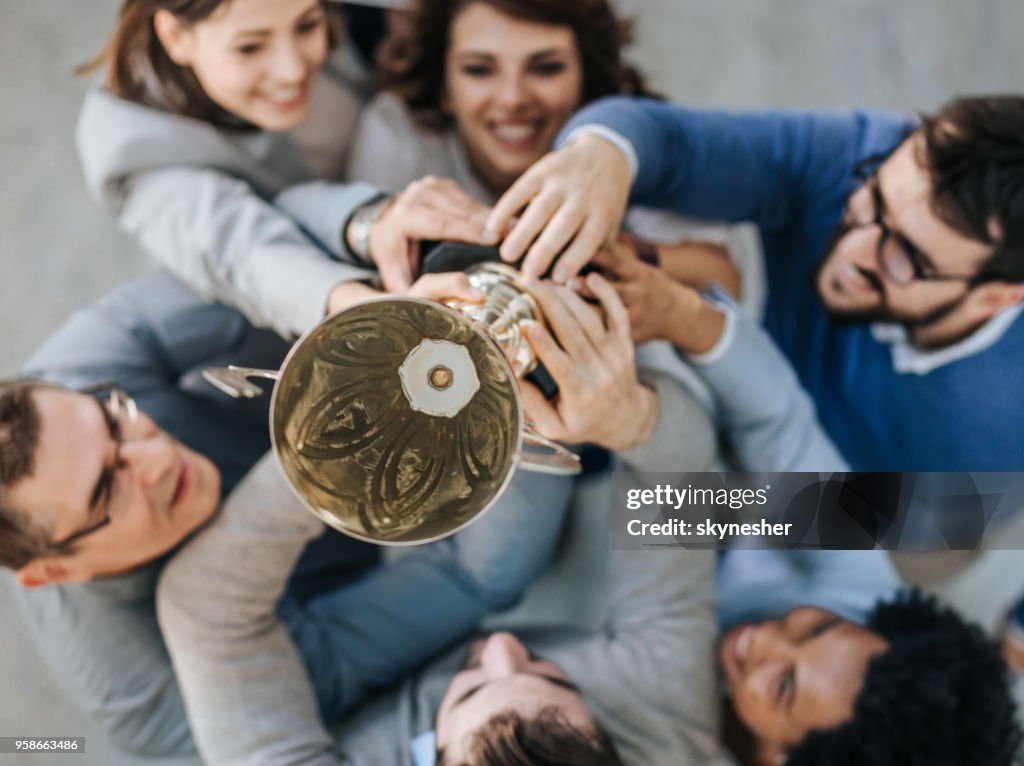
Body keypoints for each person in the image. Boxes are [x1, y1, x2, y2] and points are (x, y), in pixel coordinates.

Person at [0, 274, 573, 757]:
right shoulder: (151, 695)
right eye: (107, 491)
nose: (155, 457)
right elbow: (473, 575)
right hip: (357, 588)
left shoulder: (69, 381)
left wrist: (360, 265)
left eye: (115, 421)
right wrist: (551, 404)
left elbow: (236, 260)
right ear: (53, 574)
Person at [481, 94, 1024, 471]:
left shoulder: (1005, 411)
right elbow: (669, 142)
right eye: (874, 197)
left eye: (905, 256)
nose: (852, 250)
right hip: (745, 406)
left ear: (998, 297)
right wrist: (600, 157)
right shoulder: (863, 151)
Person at [77, 0, 498, 339]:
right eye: (249, 47)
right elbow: (240, 252)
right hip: (304, 294)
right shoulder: (128, 144)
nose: (292, 69)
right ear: (175, 36)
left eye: (307, 24)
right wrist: (364, 310)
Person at [346, 0, 756, 307]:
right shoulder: (398, 130)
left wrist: (603, 251)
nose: (512, 99)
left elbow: (723, 279)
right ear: (443, 87)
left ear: (586, 77)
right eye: (479, 69)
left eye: (546, 68)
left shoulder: (628, 139)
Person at [715, 549, 1021, 766]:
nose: (764, 635)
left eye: (784, 685)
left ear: (782, 756)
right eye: (818, 627)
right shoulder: (871, 602)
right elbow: (796, 473)